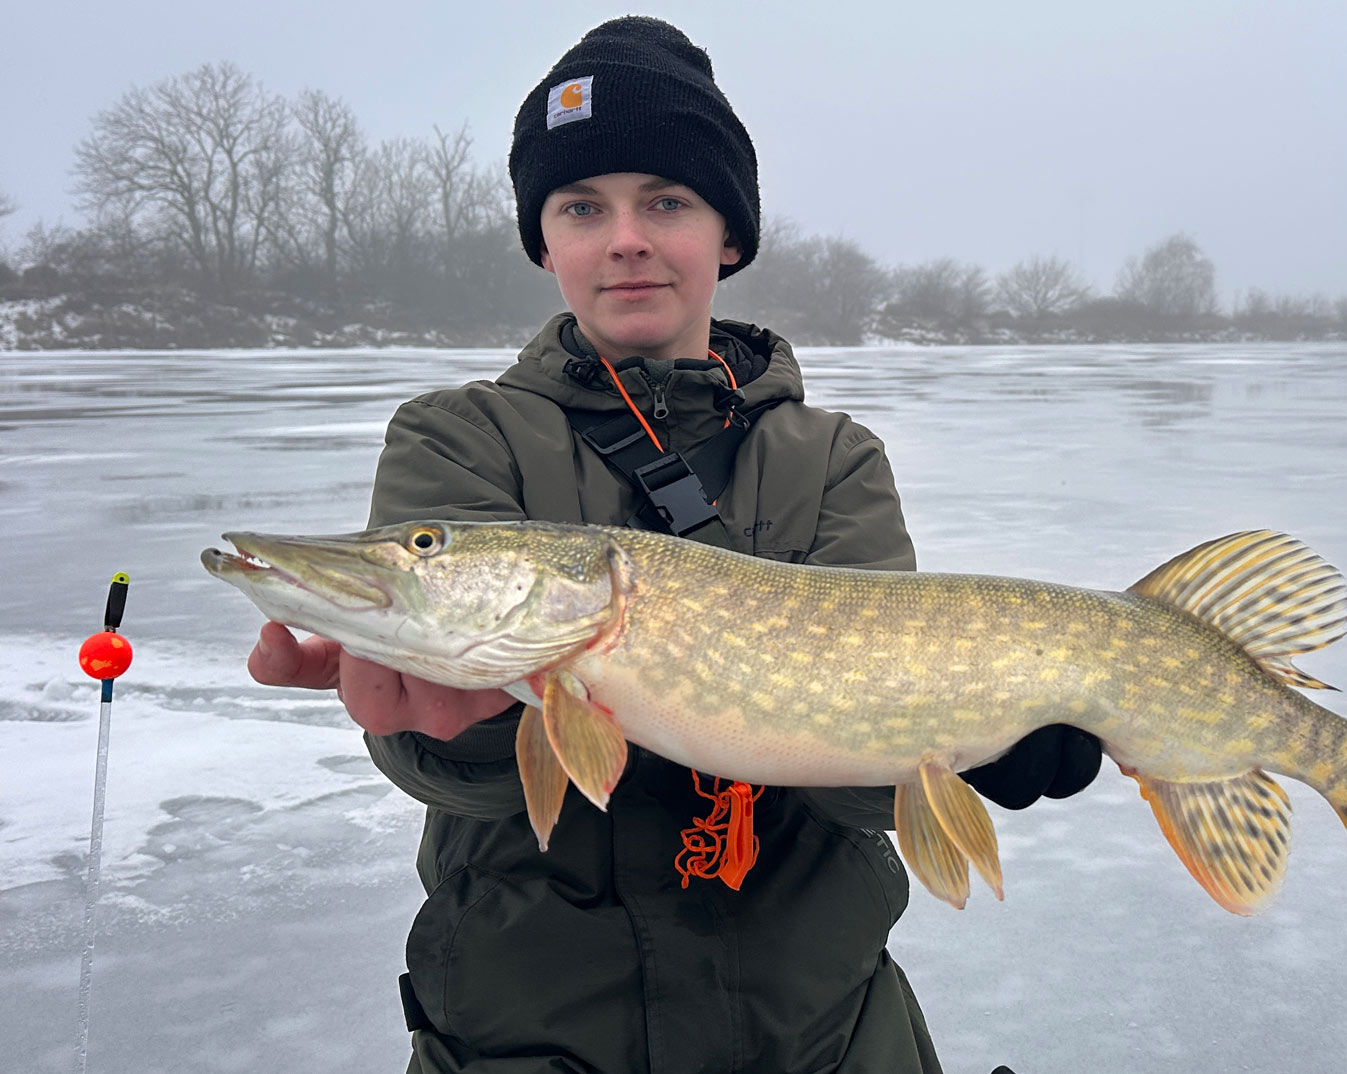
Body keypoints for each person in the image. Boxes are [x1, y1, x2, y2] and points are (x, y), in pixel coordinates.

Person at [248, 16, 1102, 1074]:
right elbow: (456, 774)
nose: (626, 239)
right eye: (581, 207)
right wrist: (456, 731)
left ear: (728, 234)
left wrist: (988, 740)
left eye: (667, 201)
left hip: (819, 1035)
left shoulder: (831, 458)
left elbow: (850, 779)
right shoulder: (459, 437)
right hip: (536, 1037)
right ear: (544, 241)